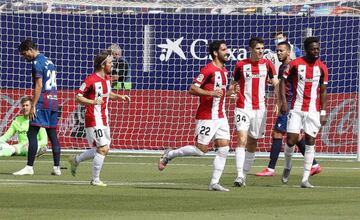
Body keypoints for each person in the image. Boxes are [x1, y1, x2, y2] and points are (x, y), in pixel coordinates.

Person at [158, 40, 234, 192]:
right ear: (215, 53)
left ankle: (214, 183)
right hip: (206, 116)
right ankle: (170, 154)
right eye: (224, 49)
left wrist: (230, 94)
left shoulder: (225, 71)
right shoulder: (208, 70)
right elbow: (192, 88)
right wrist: (210, 93)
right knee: (201, 150)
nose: (227, 52)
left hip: (221, 115)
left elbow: (220, 93)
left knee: (224, 147)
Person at [255, 41, 322, 177]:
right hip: (288, 104)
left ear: (289, 51)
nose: (279, 53)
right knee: (294, 137)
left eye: (282, 51)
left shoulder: (293, 66)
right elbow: (282, 86)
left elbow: (291, 88)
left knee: (277, 134)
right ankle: (314, 164)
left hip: (292, 106)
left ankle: (271, 168)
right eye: (277, 51)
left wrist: (282, 104)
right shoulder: (282, 67)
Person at [68, 50, 130, 187]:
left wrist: (120, 97)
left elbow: (107, 94)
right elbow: (77, 97)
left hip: (104, 118)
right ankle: (95, 179)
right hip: (93, 118)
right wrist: (92, 102)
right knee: (102, 148)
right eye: (110, 63)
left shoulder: (107, 79)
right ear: (103, 65)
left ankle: (76, 160)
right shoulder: (91, 80)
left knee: (103, 149)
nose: (112, 65)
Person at [280, 37, 328, 188]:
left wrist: (323, 111)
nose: (316, 51)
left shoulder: (322, 67)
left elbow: (323, 91)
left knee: (310, 141)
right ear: (307, 49)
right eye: (313, 49)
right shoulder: (295, 64)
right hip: (297, 108)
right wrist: (282, 101)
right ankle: (288, 166)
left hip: (313, 110)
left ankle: (305, 179)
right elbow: (283, 81)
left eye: (318, 49)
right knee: (291, 140)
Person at [231, 37, 278, 187]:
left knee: (252, 142)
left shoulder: (268, 64)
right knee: (242, 139)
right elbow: (233, 85)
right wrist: (232, 92)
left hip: (260, 109)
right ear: (251, 49)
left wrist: (278, 100)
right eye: (257, 48)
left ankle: (244, 175)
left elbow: (276, 83)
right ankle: (239, 175)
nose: (260, 51)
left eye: (262, 48)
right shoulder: (240, 65)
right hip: (243, 107)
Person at [13, 39, 61, 176]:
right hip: (54, 101)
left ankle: (29, 167)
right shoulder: (49, 61)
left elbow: (39, 85)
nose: (24, 57)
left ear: (30, 50)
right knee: (52, 134)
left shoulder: (36, 63)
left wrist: (33, 105)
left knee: (31, 133)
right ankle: (56, 167)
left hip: (42, 102)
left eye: (24, 54)